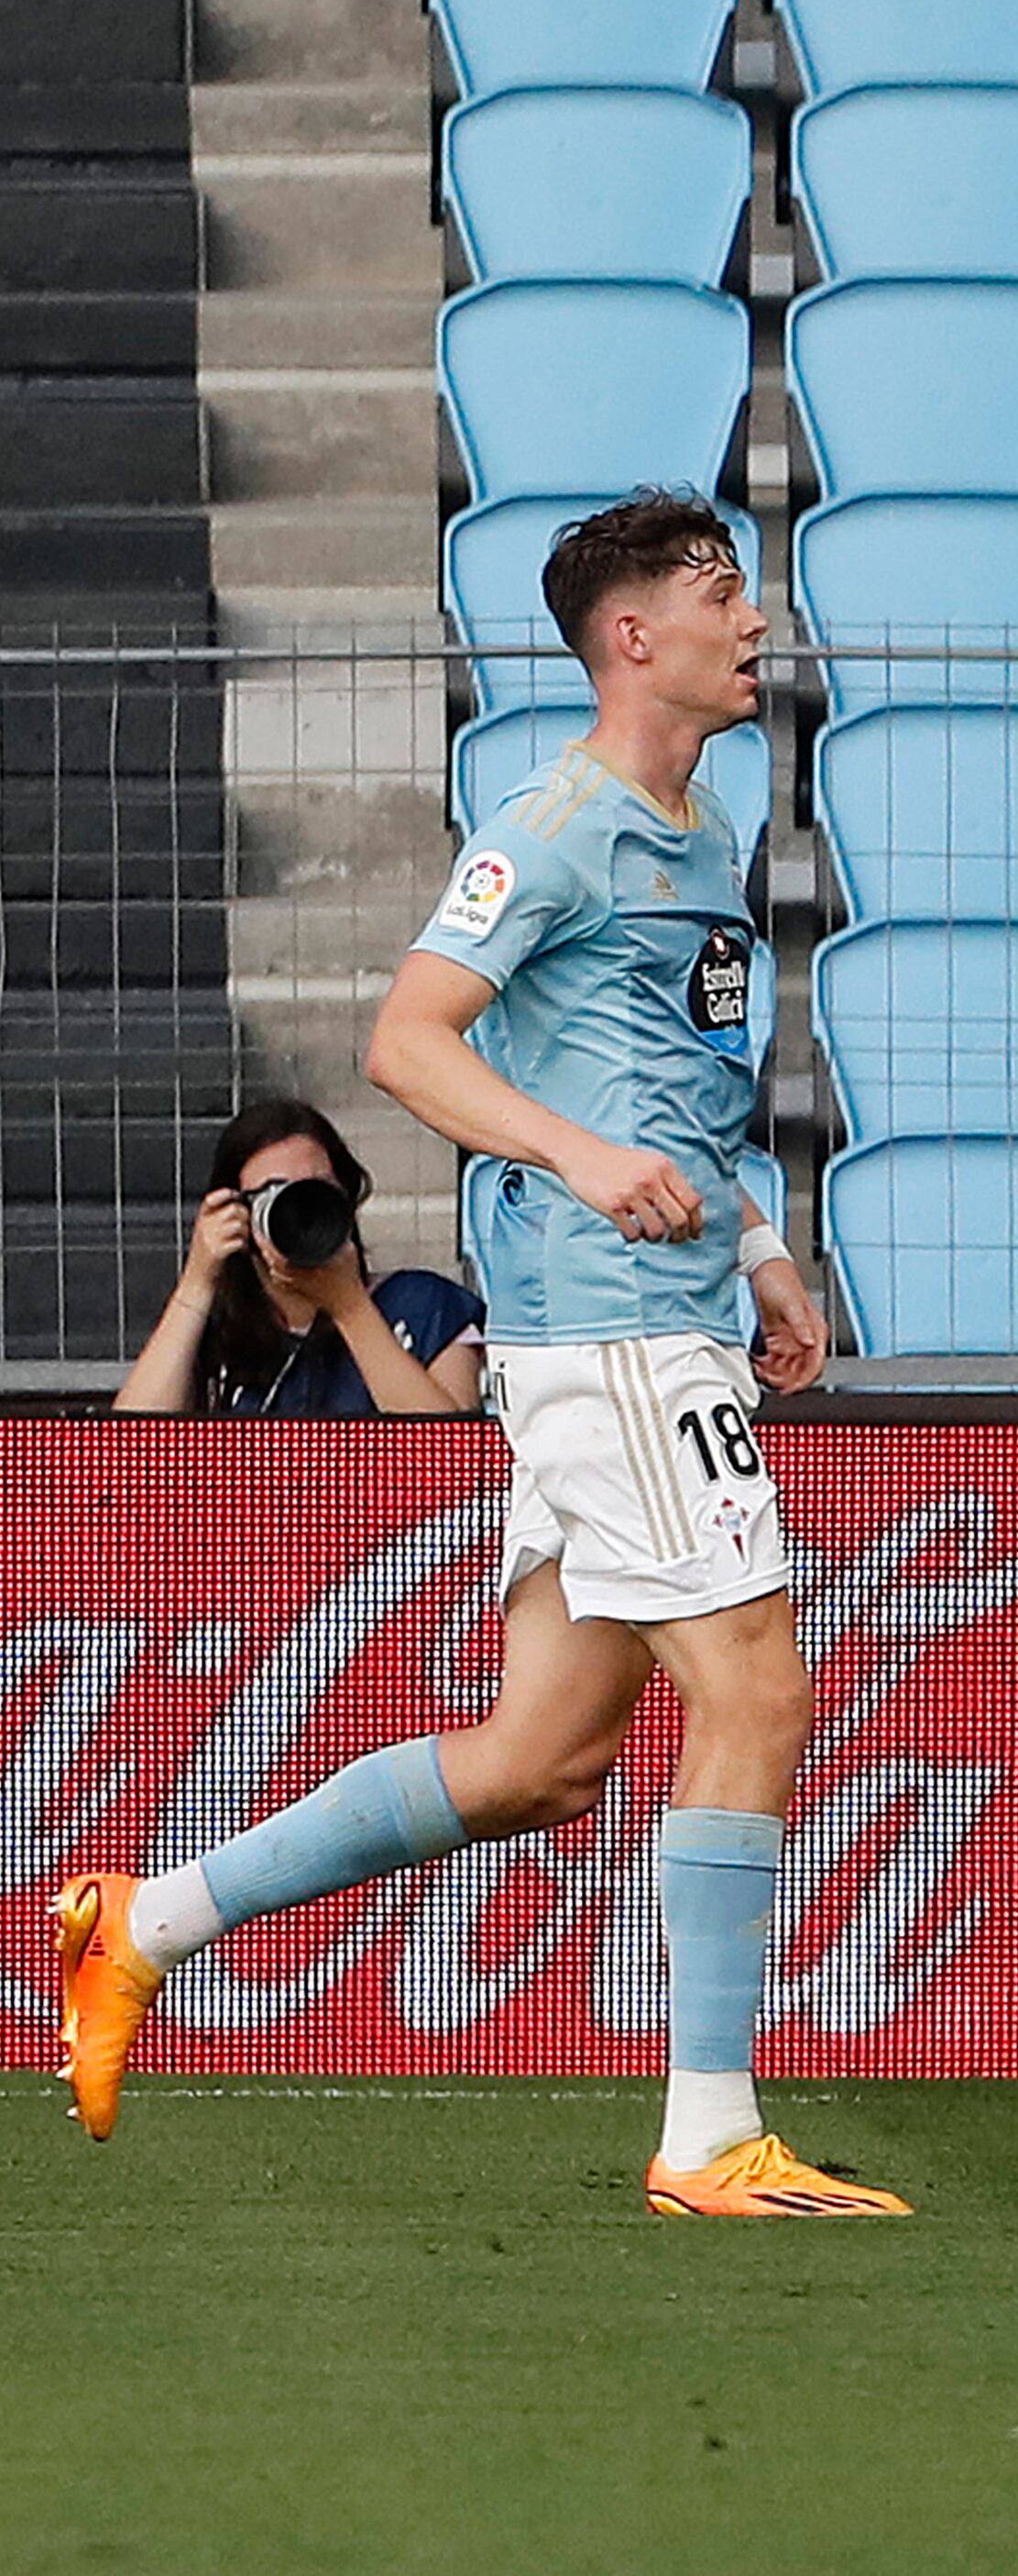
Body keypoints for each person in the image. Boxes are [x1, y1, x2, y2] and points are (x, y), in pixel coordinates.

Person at [49, 490, 892, 2214]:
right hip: (611, 1341)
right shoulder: (558, 822)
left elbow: (678, 1090)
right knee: (755, 1687)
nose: (758, 621)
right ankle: (707, 2136)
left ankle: (146, 1922)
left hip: (667, 1320)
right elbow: (407, 1041)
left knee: (537, 1760)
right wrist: (580, 1162)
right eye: (720, 594)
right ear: (631, 635)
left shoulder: (700, 831)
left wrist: (759, 1246)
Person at [114, 1098, 486, 1415]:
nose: (299, 1210)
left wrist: (350, 1306)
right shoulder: (218, 1333)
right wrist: (198, 1281)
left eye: (316, 1191)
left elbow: (457, 1462)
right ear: (238, 1210)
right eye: (274, 1194)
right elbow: (126, 1455)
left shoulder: (425, 1307)